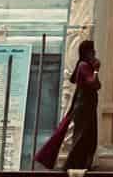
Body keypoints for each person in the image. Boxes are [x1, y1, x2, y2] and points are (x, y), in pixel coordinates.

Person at [35, 40, 99, 171]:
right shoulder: (83, 65)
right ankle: (71, 165)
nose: (95, 53)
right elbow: (93, 83)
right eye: (92, 51)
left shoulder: (85, 66)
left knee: (89, 137)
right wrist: (96, 71)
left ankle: (83, 164)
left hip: (87, 107)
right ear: (87, 52)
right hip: (84, 108)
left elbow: (93, 84)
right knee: (82, 137)